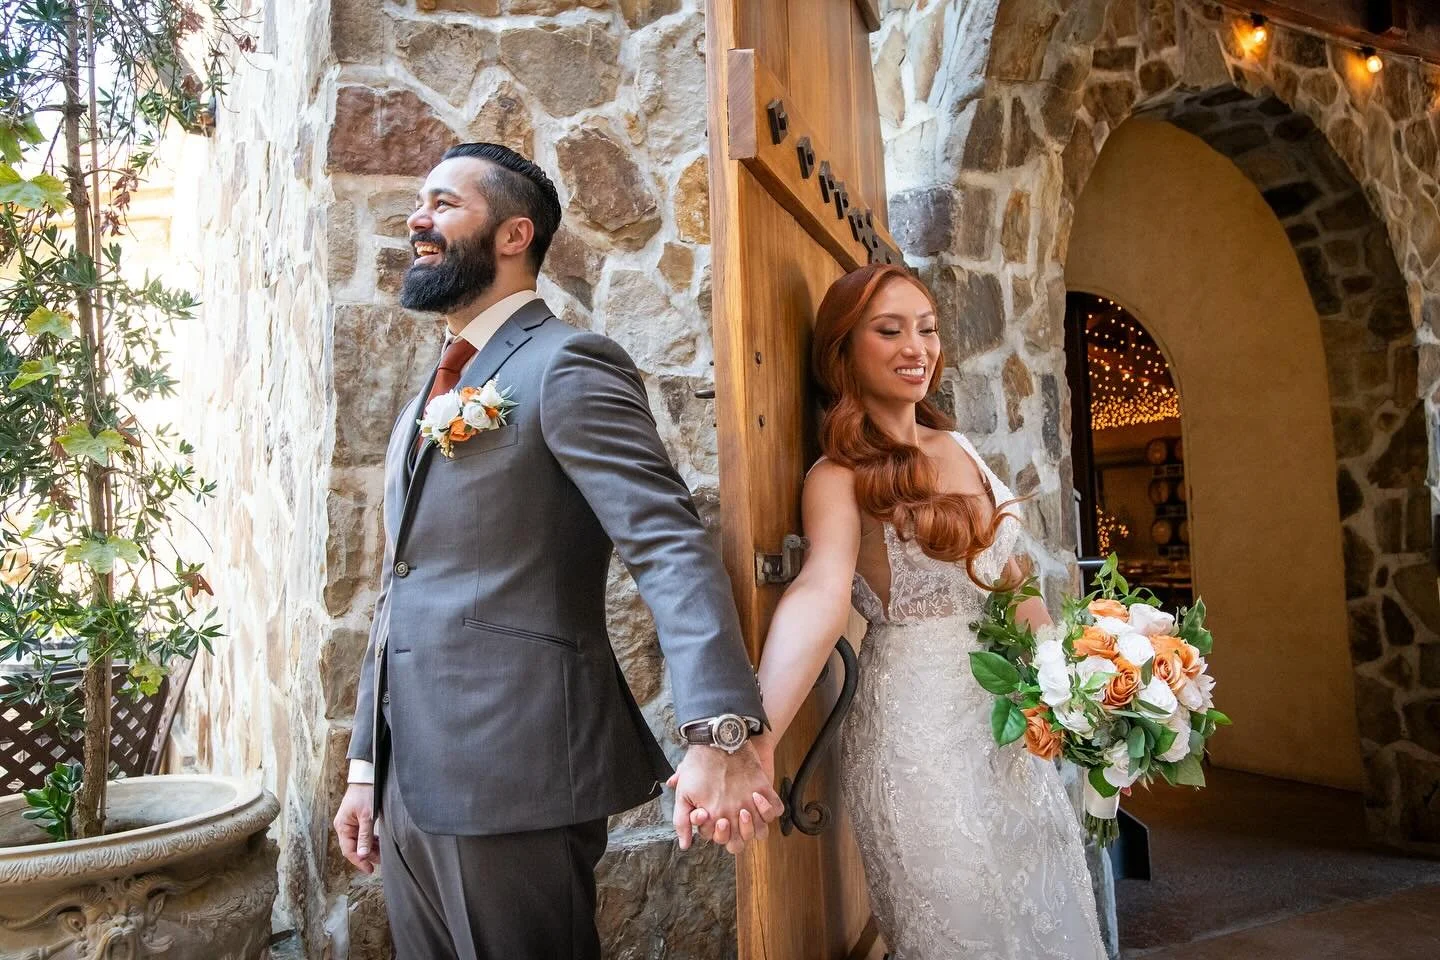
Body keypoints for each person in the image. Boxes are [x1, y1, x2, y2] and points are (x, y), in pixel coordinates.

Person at [331, 142, 780, 960]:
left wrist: (721, 731)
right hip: (408, 785)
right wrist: (367, 767)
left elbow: (668, 545)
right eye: (420, 204)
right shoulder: (430, 391)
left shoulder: (568, 363)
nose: (417, 219)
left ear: (514, 235)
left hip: (515, 771)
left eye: (444, 204)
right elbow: (402, 588)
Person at [746, 263, 1105, 957]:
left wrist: (1076, 683)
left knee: (1039, 905)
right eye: (890, 331)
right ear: (843, 350)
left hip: (1005, 729)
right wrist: (757, 736)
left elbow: (1011, 579)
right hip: (918, 731)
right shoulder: (837, 476)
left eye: (928, 329)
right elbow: (820, 595)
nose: (917, 348)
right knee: (965, 921)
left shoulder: (958, 444)